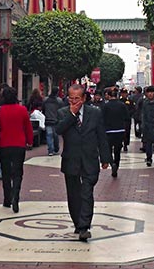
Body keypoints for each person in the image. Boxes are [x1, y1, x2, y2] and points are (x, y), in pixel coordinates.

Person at [56, 84, 112, 242]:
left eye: (77, 99)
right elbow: (59, 130)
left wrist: (106, 158)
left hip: (90, 159)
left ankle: (84, 226)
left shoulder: (95, 113)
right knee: (73, 195)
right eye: (71, 98)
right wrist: (72, 115)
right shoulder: (62, 112)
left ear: (84, 98)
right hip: (71, 160)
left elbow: (101, 135)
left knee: (87, 193)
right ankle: (77, 222)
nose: (74, 102)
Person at [0, 87, 33, 212]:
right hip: (19, 144)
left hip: (3, 144)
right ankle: (16, 197)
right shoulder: (22, 110)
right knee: (18, 172)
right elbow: (28, 128)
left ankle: (7, 198)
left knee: (6, 172)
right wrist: (30, 141)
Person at [101, 87, 128, 178]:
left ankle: (112, 163)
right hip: (120, 130)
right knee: (117, 151)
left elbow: (101, 118)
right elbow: (127, 117)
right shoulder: (122, 105)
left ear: (108, 95)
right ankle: (116, 165)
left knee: (108, 149)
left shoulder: (105, 106)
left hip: (108, 131)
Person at [42, 88, 64, 156]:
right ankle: (56, 148)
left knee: (49, 136)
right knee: (55, 135)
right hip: (56, 120)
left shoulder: (45, 100)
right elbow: (61, 110)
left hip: (48, 119)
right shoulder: (59, 101)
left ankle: (50, 150)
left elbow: (43, 109)